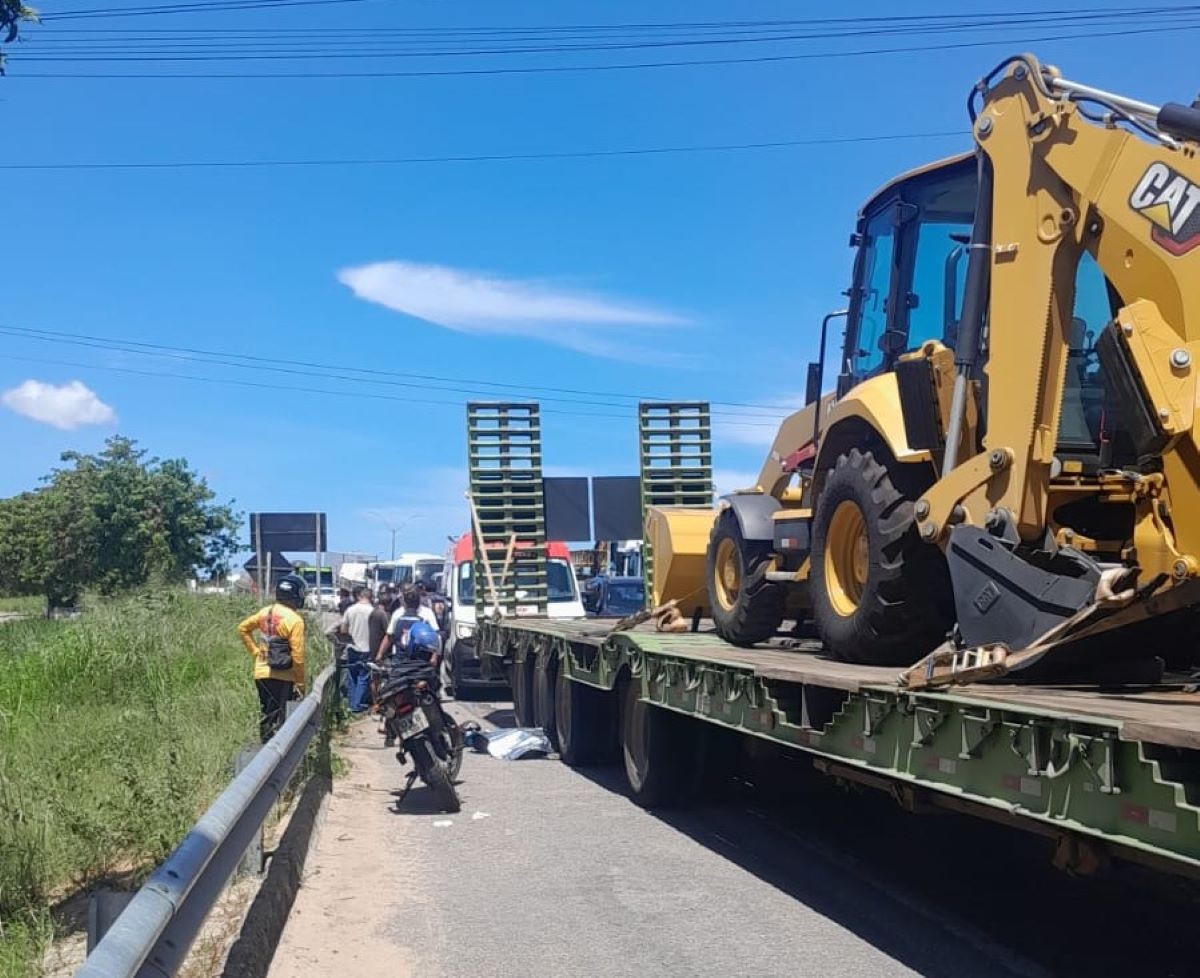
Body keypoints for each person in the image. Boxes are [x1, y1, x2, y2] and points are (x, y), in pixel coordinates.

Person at [237, 574, 307, 743]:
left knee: (267, 712)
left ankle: (264, 746)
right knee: (279, 717)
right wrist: (300, 683)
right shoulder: (295, 620)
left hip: (261, 671)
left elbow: (242, 629)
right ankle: (273, 748)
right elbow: (298, 655)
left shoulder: (265, 612)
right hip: (283, 675)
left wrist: (255, 651)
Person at [338, 586, 375, 713]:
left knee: (352, 676)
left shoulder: (350, 610)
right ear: (370, 597)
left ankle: (351, 704)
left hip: (352, 647)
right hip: (367, 648)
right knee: (363, 677)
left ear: (360, 596)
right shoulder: (373, 611)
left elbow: (343, 630)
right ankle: (357, 705)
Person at [376, 586, 438, 662]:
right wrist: (380, 654)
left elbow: (436, 636)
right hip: (400, 659)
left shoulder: (427, 613)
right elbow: (389, 636)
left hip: (421, 660)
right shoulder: (398, 613)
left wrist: (434, 656)